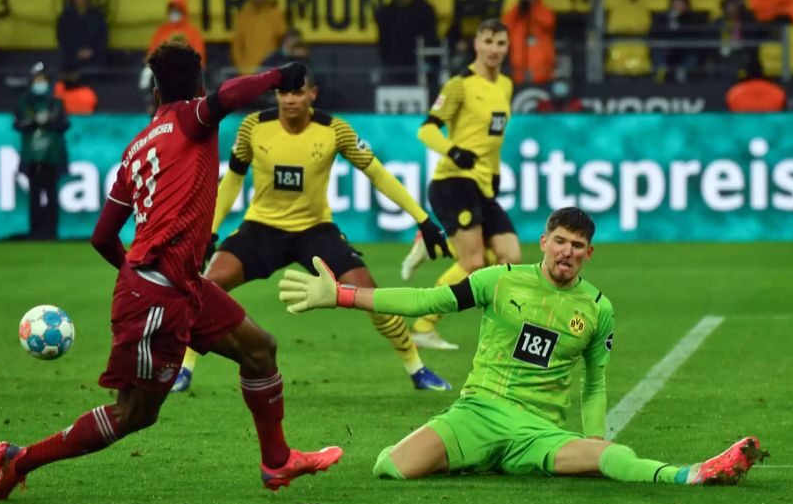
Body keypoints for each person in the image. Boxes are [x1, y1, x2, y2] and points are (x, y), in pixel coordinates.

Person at [0, 44, 341, 501]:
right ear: (198, 86)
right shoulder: (194, 117)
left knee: (259, 350)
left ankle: (276, 462)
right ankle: (20, 459)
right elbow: (230, 97)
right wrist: (277, 76)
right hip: (158, 294)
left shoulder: (136, 149)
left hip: (175, 284)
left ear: (154, 91)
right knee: (134, 413)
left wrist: (135, 271)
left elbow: (101, 236)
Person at [279, 207, 768, 486]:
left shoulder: (598, 308)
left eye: (577, 246)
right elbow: (426, 299)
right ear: (543, 242)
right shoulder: (499, 280)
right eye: (559, 241)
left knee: (606, 456)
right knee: (391, 467)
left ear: (589, 254)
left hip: (537, 431)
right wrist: (341, 295)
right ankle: (478, 453)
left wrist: (593, 435)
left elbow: (595, 382)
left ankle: (690, 475)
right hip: (478, 411)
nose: (567, 252)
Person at [172, 63, 453, 394]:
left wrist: (422, 219)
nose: (290, 99)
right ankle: (182, 369)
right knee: (207, 286)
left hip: (315, 232)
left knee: (369, 292)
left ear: (312, 94)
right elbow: (232, 179)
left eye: (298, 92)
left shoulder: (334, 130)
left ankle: (417, 368)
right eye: (284, 92)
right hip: (261, 229)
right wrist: (210, 231)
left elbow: (377, 174)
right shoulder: (253, 127)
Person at [402, 18, 520, 351]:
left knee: (509, 257)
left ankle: (435, 244)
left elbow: (494, 140)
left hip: (482, 185)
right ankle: (424, 326)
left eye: (501, 43)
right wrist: (453, 150)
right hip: (453, 183)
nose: (494, 49)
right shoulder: (459, 85)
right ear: (477, 45)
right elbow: (426, 130)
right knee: (472, 264)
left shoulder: (506, 86)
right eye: (488, 42)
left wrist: (494, 175)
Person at [14, 63, 70, 241]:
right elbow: (17, 124)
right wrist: (33, 122)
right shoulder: (23, 102)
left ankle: (51, 231)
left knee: (52, 194)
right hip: (33, 157)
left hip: (52, 156)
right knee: (35, 195)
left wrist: (48, 122)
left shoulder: (57, 103)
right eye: (37, 80)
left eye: (43, 80)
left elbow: (64, 124)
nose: (40, 83)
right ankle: (35, 231)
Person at [374, 0, 438, 85]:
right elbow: (384, 41)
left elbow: (431, 38)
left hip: (419, 63)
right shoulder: (389, 12)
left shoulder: (425, 11)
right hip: (395, 65)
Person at [501, 0, 556, 85]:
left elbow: (549, 22)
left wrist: (533, 8)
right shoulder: (516, 16)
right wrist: (518, 8)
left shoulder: (542, 11)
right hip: (519, 72)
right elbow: (505, 25)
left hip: (542, 73)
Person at [649, 0, 707, 83]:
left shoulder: (694, 18)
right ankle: (661, 75)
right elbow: (654, 35)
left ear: (686, 3)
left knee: (692, 58)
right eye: (675, 2)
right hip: (667, 52)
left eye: (680, 2)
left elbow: (696, 38)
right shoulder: (662, 18)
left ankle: (682, 77)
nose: (677, 5)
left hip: (686, 52)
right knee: (657, 53)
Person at [232, 0, 288, 74]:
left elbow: (282, 40)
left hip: (270, 68)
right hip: (249, 70)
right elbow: (237, 45)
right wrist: (242, 67)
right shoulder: (244, 16)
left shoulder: (276, 14)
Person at [57, 0, 108, 69]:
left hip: (95, 59)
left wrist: (92, 51)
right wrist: (76, 52)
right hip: (71, 59)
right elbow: (63, 39)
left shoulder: (97, 15)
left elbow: (103, 37)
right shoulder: (65, 17)